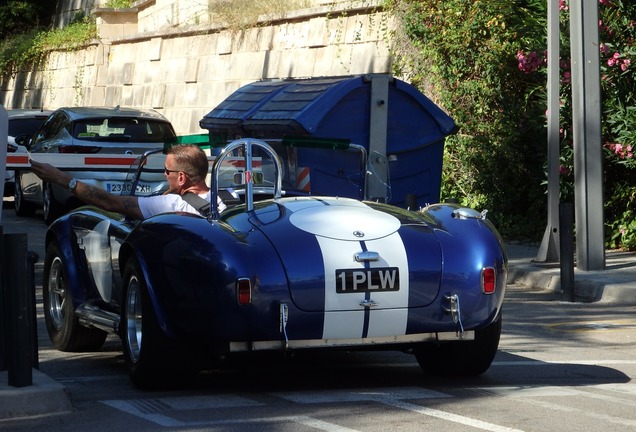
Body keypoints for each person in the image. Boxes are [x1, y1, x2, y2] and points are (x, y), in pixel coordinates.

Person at [29, 144, 226, 220]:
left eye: (167, 171)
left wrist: (61, 179)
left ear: (181, 177)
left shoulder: (169, 204)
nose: (165, 174)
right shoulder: (230, 197)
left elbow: (109, 202)